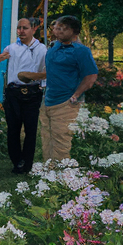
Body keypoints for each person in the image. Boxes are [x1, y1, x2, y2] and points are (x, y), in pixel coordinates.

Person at [21, 15, 98, 164]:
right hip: (48, 101)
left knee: (61, 142)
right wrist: (32, 76)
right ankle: (49, 175)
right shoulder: (54, 46)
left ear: (74, 31)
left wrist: (75, 95)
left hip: (66, 102)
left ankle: (63, 179)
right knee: (47, 139)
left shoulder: (81, 51)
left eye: (63, 28)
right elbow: (51, 72)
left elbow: (90, 77)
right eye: (56, 27)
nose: (58, 30)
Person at [0, 17, 47, 174]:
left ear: (33, 29)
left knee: (30, 129)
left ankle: (27, 164)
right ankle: (17, 162)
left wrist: (39, 83)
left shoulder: (42, 49)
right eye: (18, 28)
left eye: (25, 28)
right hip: (14, 92)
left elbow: (46, 71)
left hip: (32, 93)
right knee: (13, 129)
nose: (21, 31)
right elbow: (0, 58)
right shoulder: (12, 48)